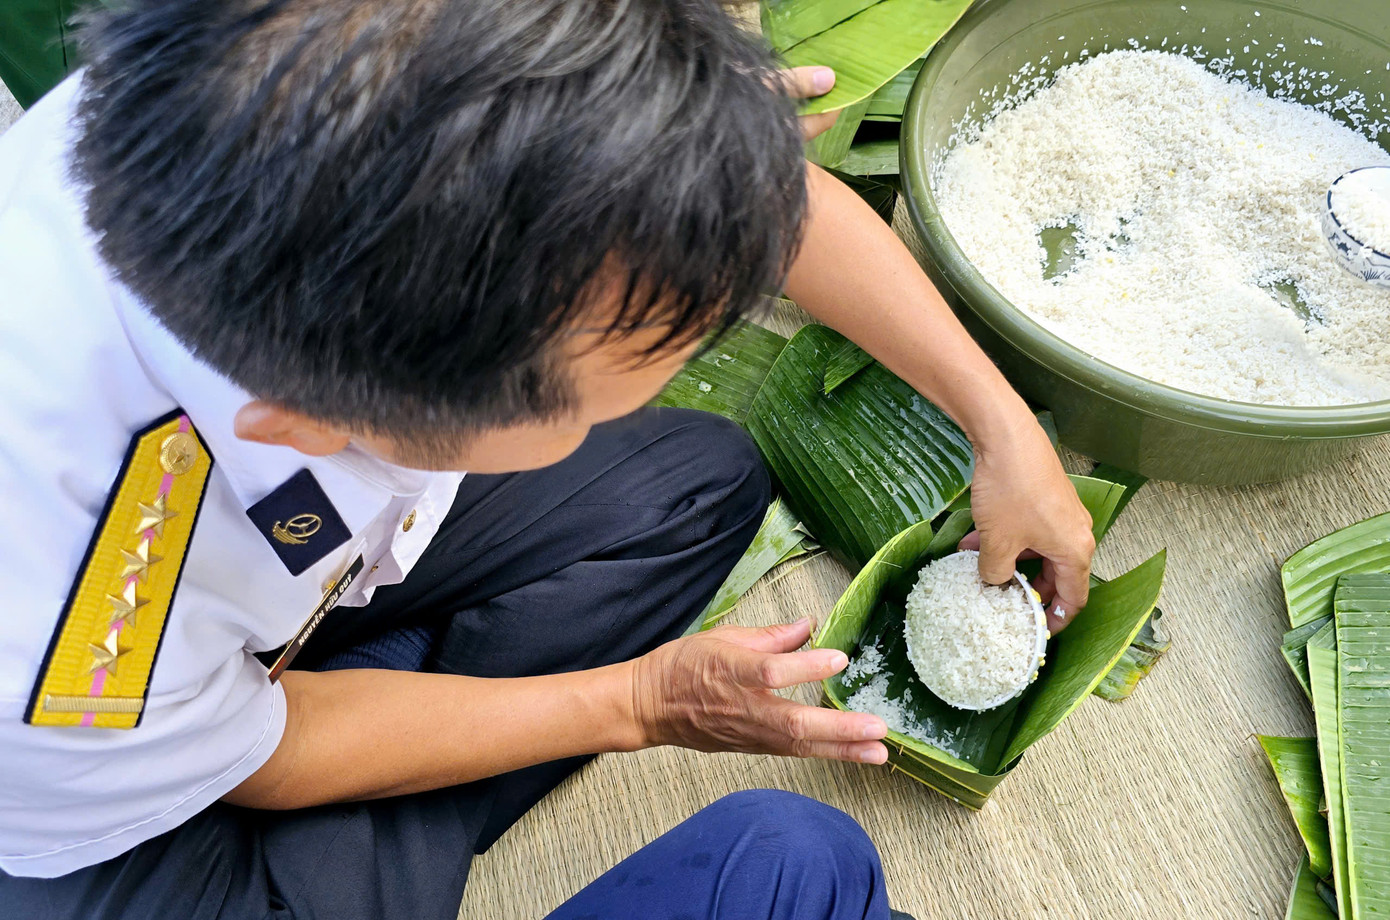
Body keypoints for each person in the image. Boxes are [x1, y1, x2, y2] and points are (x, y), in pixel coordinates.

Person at [0, 0, 1096, 917]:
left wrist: (999, 424)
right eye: (624, 371)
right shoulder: (71, 606)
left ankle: (387, 719)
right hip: (115, 803)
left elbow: (699, 208)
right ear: (321, 421)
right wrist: (637, 703)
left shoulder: (361, 77)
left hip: (259, 580)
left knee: (690, 487)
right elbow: (267, 754)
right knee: (781, 863)